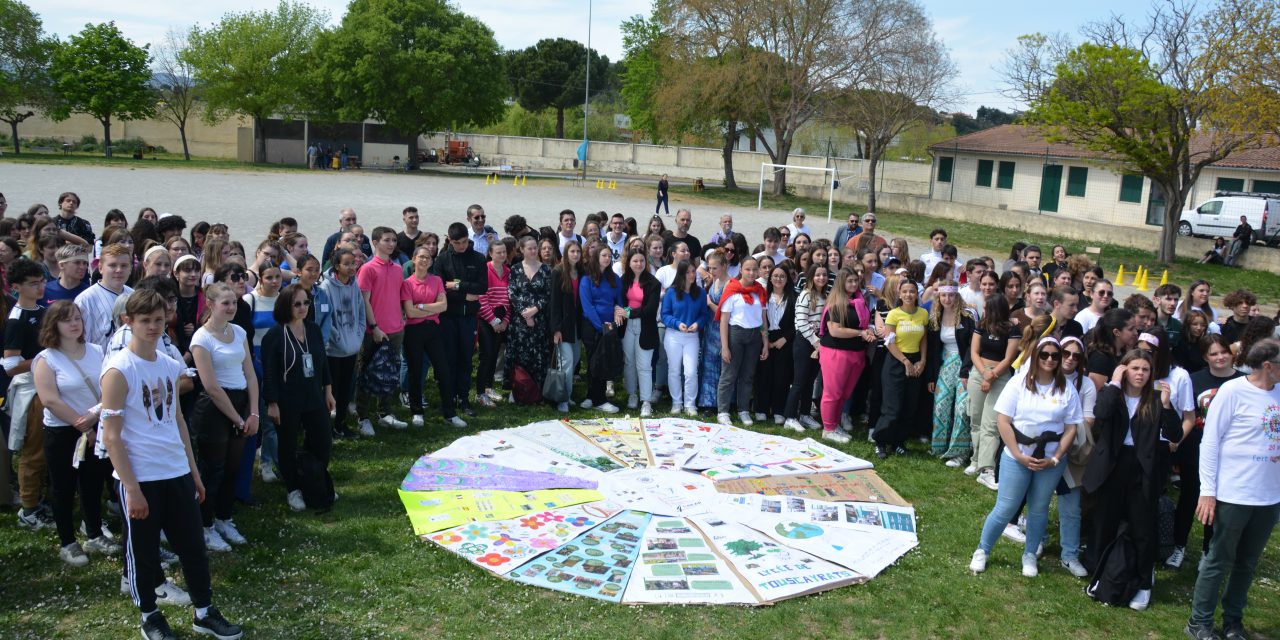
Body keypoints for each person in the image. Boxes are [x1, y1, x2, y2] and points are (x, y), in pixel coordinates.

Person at [100, 289, 243, 640]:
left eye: (159, 321)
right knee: (144, 553)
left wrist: (193, 473)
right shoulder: (118, 370)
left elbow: (177, 421)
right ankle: (149, 615)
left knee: (193, 547)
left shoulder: (169, 364)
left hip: (175, 471)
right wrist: (131, 489)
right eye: (145, 321)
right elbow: (112, 436)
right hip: (141, 476)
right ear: (128, 322)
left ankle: (204, 611)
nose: (153, 327)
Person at [1184, 339, 1280, 640]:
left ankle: (1233, 622)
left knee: (1247, 562)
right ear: (1268, 365)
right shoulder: (1233, 392)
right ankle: (1199, 622)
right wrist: (1208, 491)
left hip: (1269, 496)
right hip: (1234, 492)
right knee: (1218, 559)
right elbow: (1210, 441)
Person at [969, 336, 1080, 578]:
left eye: (1055, 355)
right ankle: (982, 550)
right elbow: (1003, 420)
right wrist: (1018, 455)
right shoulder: (1019, 383)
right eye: (1044, 354)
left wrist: (1056, 457)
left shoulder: (1066, 388)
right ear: (1035, 356)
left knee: (1039, 509)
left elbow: (1071, 427)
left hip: (1050, 460)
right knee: (1006, 507)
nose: (1050, 359)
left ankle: (1029, 554)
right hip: (1017, 455)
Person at [1083, 350, 1182, 611]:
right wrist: (1114, 383)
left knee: (1142, 529)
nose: (1140, 374)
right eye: (1135, 368)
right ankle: (1102, 577)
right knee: (1105, 523)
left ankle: (1144, 583)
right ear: (1124, 370)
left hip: (1142, 469)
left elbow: (1174, 433)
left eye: (1145, 370)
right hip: (1112, 467)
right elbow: (1100, 413)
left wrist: (1168, 404)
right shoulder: (1113, 394)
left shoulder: (1156, 400)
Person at [32, 300, 117, 565]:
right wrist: (82, 424)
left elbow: (108, 389)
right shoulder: (46, 359)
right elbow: (50, 400)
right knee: (63, 487)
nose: (74, 324)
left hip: (95, 424)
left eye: (77, 318)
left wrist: (93, 418)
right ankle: (67, 541)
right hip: (62, 432)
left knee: (92, 483)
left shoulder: (95, 351)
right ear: (54, 325)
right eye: (67, 319)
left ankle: (93, 532)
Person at [189, 283, 258, 551]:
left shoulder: (239, 331)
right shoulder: (201, 339)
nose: (231, 308)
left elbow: (250, 373)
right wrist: (237, 420)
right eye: (225, 303)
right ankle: (205, 526)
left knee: (233, 467)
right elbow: (211, 387)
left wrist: (252, 412)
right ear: (210, 304)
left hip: (240, 402)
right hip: (214, 409)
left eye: (234, 303)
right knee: (212, 470)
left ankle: (224, 518)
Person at [1169, 334, 1241, 573]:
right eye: (1213, 353)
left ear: (1231, 354)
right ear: (1204, 357)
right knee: (1190, 497)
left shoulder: (1242, 381)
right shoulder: (1194, 380)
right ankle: (1178, 546)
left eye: (1223, 352)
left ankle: (1208, 551)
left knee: (1218, 502)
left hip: (1230, 453)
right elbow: (1185, 414)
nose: (1220, 357)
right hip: (1195, 449)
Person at [262, 284, 334, 512]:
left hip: (313, 394)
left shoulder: (312, 329)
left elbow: (322, 361)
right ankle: (293, 488)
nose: (303, 308)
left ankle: (316, 479)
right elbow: (270, 373)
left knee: (323, 440)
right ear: (286, 306)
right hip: (288, 398)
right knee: (288, 443)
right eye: (297, 304)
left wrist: (328, 390)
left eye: (306, 303)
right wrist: (272, 403)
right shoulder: (274, 336)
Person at [401, 245, 461, 428]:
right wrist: (429, 307)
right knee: (415, 371)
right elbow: (409, 312)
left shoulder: (436, 280)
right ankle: (417, 411)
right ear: (414, 259)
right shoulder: (407, 284)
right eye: (421, 257)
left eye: (428, 258)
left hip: (434, 330)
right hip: (414, 332)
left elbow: (443, 306)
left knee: (443, 370)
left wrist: (421, 307)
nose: (425, 260)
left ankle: (450, 413)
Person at [356, 227, 408, 434]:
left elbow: (397, 297)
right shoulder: (367, 269)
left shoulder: (397, 268)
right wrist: (375, 327)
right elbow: (364, 300)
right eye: (387, 240)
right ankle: (362, 417)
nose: (392, 244)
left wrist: (402, 318)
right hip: (374, 331)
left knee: (389, 374)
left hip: (396, 329)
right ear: (375, 242)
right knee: (367, 374)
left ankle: (385, 413)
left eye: (394, 240)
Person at [968, 295, 1022, 486]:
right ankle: (975, 459)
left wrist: (992, 376)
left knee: (990, 424)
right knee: (976, 419)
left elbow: (1009, 358)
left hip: (1000, 377)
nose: (985, 312)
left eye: (988, 309)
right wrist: (983, 373)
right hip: (979, 373)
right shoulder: (981, 325)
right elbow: (974, 351)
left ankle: (987, 468)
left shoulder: (1012, 329)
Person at [1054, 335, 1096, 578]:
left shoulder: (1086, 384)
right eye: (1065, 353)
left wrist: (1069, 431)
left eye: (1075, 355)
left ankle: (1069, 554)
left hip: (1072, 450)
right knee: (1037, 501)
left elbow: (1088, 418)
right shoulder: (1044, 376)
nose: (1069, 359)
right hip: (1045, 447)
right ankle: (1037, 541)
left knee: (1071, 505)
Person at [816, 266, 873, 444]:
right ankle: (828, 429)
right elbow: (835, 331)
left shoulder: (858, 300)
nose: (854, 284)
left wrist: (869, 330)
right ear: (841, 282)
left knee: (844, 393)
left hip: (856, 353)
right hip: (836, 352)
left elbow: (862, 325)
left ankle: (835, 424)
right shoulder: (835, 303)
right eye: (850, 281)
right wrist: (860, 333)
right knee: (833, 392)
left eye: (856, 280)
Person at [873, 277, 929, 459]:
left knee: (909, 405)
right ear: (899, 293)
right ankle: (881, 441)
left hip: (915, 361)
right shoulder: (894, 314)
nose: (908, 295)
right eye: (905, 291)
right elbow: (889, 342)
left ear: (917, 293)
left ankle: (899, 442)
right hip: (896, 361)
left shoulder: (922, 314)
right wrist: (905, 362)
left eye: (912, 291)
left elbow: (923, 339)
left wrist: (922, 361)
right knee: (892, 406)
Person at [927, 284, 976, 466]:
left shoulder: (967, 317)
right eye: (944, 295)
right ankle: (939, 446)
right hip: (945, 364)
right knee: (940, 407)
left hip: (965, 366)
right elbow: (933, 350)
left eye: (951, 295)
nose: (947, 299)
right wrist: (931, 377)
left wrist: (966, 370)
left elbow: (973, 346)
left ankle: (960, 451)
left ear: (957, 297)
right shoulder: (935, 319)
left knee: (962, 409)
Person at [318, 248, 364, 439]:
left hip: (352, 347)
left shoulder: (355, 285)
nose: (352, 267)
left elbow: (361, 312)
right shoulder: (325, 288)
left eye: (353, 263)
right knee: (331, 389)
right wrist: (337, 338)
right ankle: (326, 427)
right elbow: (325, 318)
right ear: (337, 266)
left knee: (346, 388)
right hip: (333, 350)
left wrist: (358, 335)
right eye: (347, 264)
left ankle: (341, 424)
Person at [716, 256, 766, 426]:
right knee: (729, 374)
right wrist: (725, 347)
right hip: (735, 334)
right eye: (748, 269)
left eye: (754, 269)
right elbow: (724, 320)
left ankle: (743, 409)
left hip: (754, 336)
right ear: (741, 270)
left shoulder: (760, 290)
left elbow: (763, 318)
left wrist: (765, 342)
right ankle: (722, 411)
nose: (751, 273)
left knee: (747, 375)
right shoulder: (732, 289)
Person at [783, 263, 829, 432]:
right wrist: (816, 342)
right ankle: (790, 416)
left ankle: (804, 414)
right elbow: (801, 322)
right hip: (804, 342)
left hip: (819, 343)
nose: (821, 278)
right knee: (799, 381)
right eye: (818, 275)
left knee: (810, 380)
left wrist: (820, 343)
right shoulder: (805, 295)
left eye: (824, 275)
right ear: (811, 277)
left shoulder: (824, 296)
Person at [506, 235, 553, 392]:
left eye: (535, 248)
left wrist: (534, 310)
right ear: (522, 250)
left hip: (540, 320)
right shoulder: (515, 269)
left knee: (539, 354)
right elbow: (512, 293)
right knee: (519, 354)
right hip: (519, 321)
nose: (533, 251)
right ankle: (517, 389)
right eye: (530, 248)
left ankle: (538, 390)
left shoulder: (546, 270)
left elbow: (548, 295)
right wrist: (525, 314)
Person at [661, 261, 708, 416]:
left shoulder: (700, 293)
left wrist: (698, 324)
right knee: (674, 370)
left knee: (690, 371)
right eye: (688, 272)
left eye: (693, 271)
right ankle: (676, 402)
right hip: (673, 336)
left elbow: (704, 314)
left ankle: (690, 404)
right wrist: (677, 323)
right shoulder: (671, 292)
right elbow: (665, 315)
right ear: (681, 274)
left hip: (692, 337)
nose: (692, 275)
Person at [617, 249, 661, 416]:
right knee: (629, 362)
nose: (639, 264)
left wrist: (629, 312)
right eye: (635, 260)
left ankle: (646, 401)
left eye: (642, 260)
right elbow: (619, 302)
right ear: (629, 262)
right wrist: (620, 310)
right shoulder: (623, 280)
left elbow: (650, 309)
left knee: (644, 366)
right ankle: (632, 395)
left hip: (646, 327)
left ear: (646, 262)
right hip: (627, 327)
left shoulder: (653, 283)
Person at [579, 244, 622, 413]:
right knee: (592, 362)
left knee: (602, 363)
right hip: (593, 326)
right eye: (604, 255)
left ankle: (598, 397)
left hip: (609, 326)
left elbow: (619, 301)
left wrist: (618, 313)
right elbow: (587, 306)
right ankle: (593, 397)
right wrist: (600, 326)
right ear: (596, 257)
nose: (607, 258)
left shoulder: (614, 279)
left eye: (609, 255)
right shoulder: (587, 279)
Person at [752, 265, 795, 424]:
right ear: (770, 278)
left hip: (785, 340)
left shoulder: (793, 297)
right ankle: (761, 408)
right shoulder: (763, 295)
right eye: (775, 276)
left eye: (782, 276)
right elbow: (758, 318)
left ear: (787, 279)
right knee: (763, 375)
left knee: (782, 376)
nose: (778, 279)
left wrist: (783, 339)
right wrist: (766, 341)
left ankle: (778, 410)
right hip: (765, 338)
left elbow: (796, 323)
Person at [548, 241, 584, 413]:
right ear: (565, 253)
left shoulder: (582, 272)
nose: (575, 254)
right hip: (563, 326)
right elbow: (554, 302)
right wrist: (556, 329)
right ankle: (563, 398)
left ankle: (568, 395)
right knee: (566, 361)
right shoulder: (558, 272)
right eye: (572, 251)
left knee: (575, 358)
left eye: (578, 251)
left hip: (577, 324)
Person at [77, 243, 134, 350]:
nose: (119, 270)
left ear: (130, 269)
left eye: (124, 265)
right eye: (112, 265)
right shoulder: (85, 300)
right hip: (100, 364)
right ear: (100, 268)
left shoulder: (135, 296)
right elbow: (82, 343)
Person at [698, 250, 729, 413]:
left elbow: (726, 314)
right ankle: (708, 401)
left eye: (714, 268)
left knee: (720, 366)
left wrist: (709, 303)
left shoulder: (729, 285)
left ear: (724, 266)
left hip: (722, 330)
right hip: (710, 329)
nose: (711, 271)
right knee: (708, 366)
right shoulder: (714, 281)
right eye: (709, 268)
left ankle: (720, 403)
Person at [1086, 308, 1138, 391]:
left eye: (1135, 328)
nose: (1136, 332)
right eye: (1131, 329)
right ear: (1116, 332)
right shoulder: (1100, 358)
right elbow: (1096, 393)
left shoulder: (1123, 351)